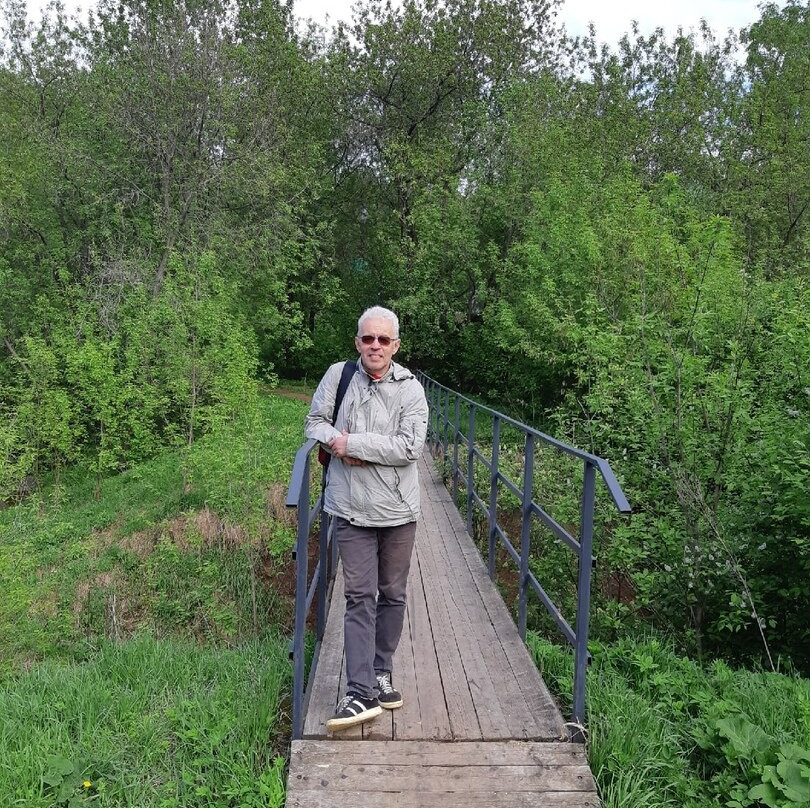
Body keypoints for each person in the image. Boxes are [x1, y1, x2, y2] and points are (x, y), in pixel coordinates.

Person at [305, 306, 428, 731]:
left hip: (398, 511)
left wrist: (352, 444)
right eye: (368, 338)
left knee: (392, 593)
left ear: (396, 345)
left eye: (383, 339)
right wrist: (333, 440)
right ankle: (359, 691)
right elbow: (314, 423)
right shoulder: (339, 376)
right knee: (359, 595)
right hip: (351, 508)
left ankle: (380, 671)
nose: (375, 346)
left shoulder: (411, 389)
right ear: (358, 342)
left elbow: (409, 447)